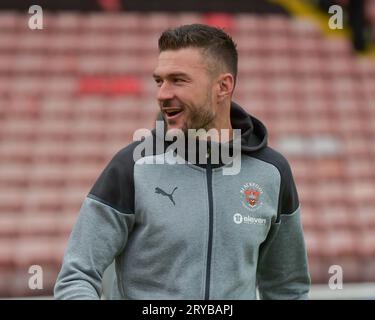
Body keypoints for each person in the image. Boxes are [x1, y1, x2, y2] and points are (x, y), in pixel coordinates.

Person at [54, 24, 310, 300]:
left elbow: (287, 289)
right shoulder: (131, 167)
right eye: (159, 81)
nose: (162, 94)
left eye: (178, 80)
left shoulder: (272, 173)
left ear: (223, 86)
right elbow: (76, 277)